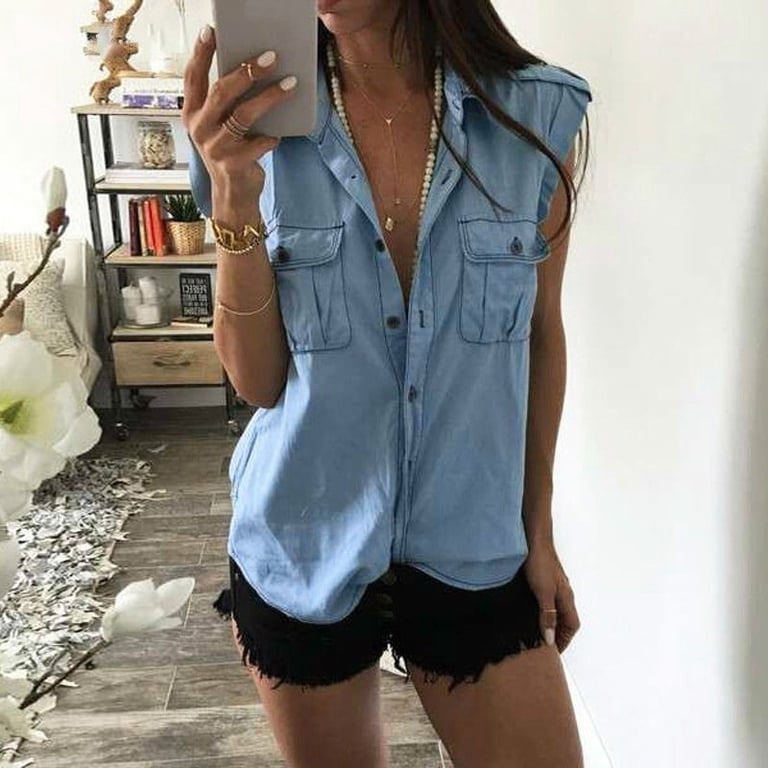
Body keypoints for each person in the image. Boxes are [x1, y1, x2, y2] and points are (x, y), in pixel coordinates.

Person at [184, 1, 592, 765]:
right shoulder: (249, 121)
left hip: (476, 542)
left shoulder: (535, 116)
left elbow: (541, 335)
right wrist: (233, 194)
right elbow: (257, 383)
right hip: (303, 541)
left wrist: (539, 533)